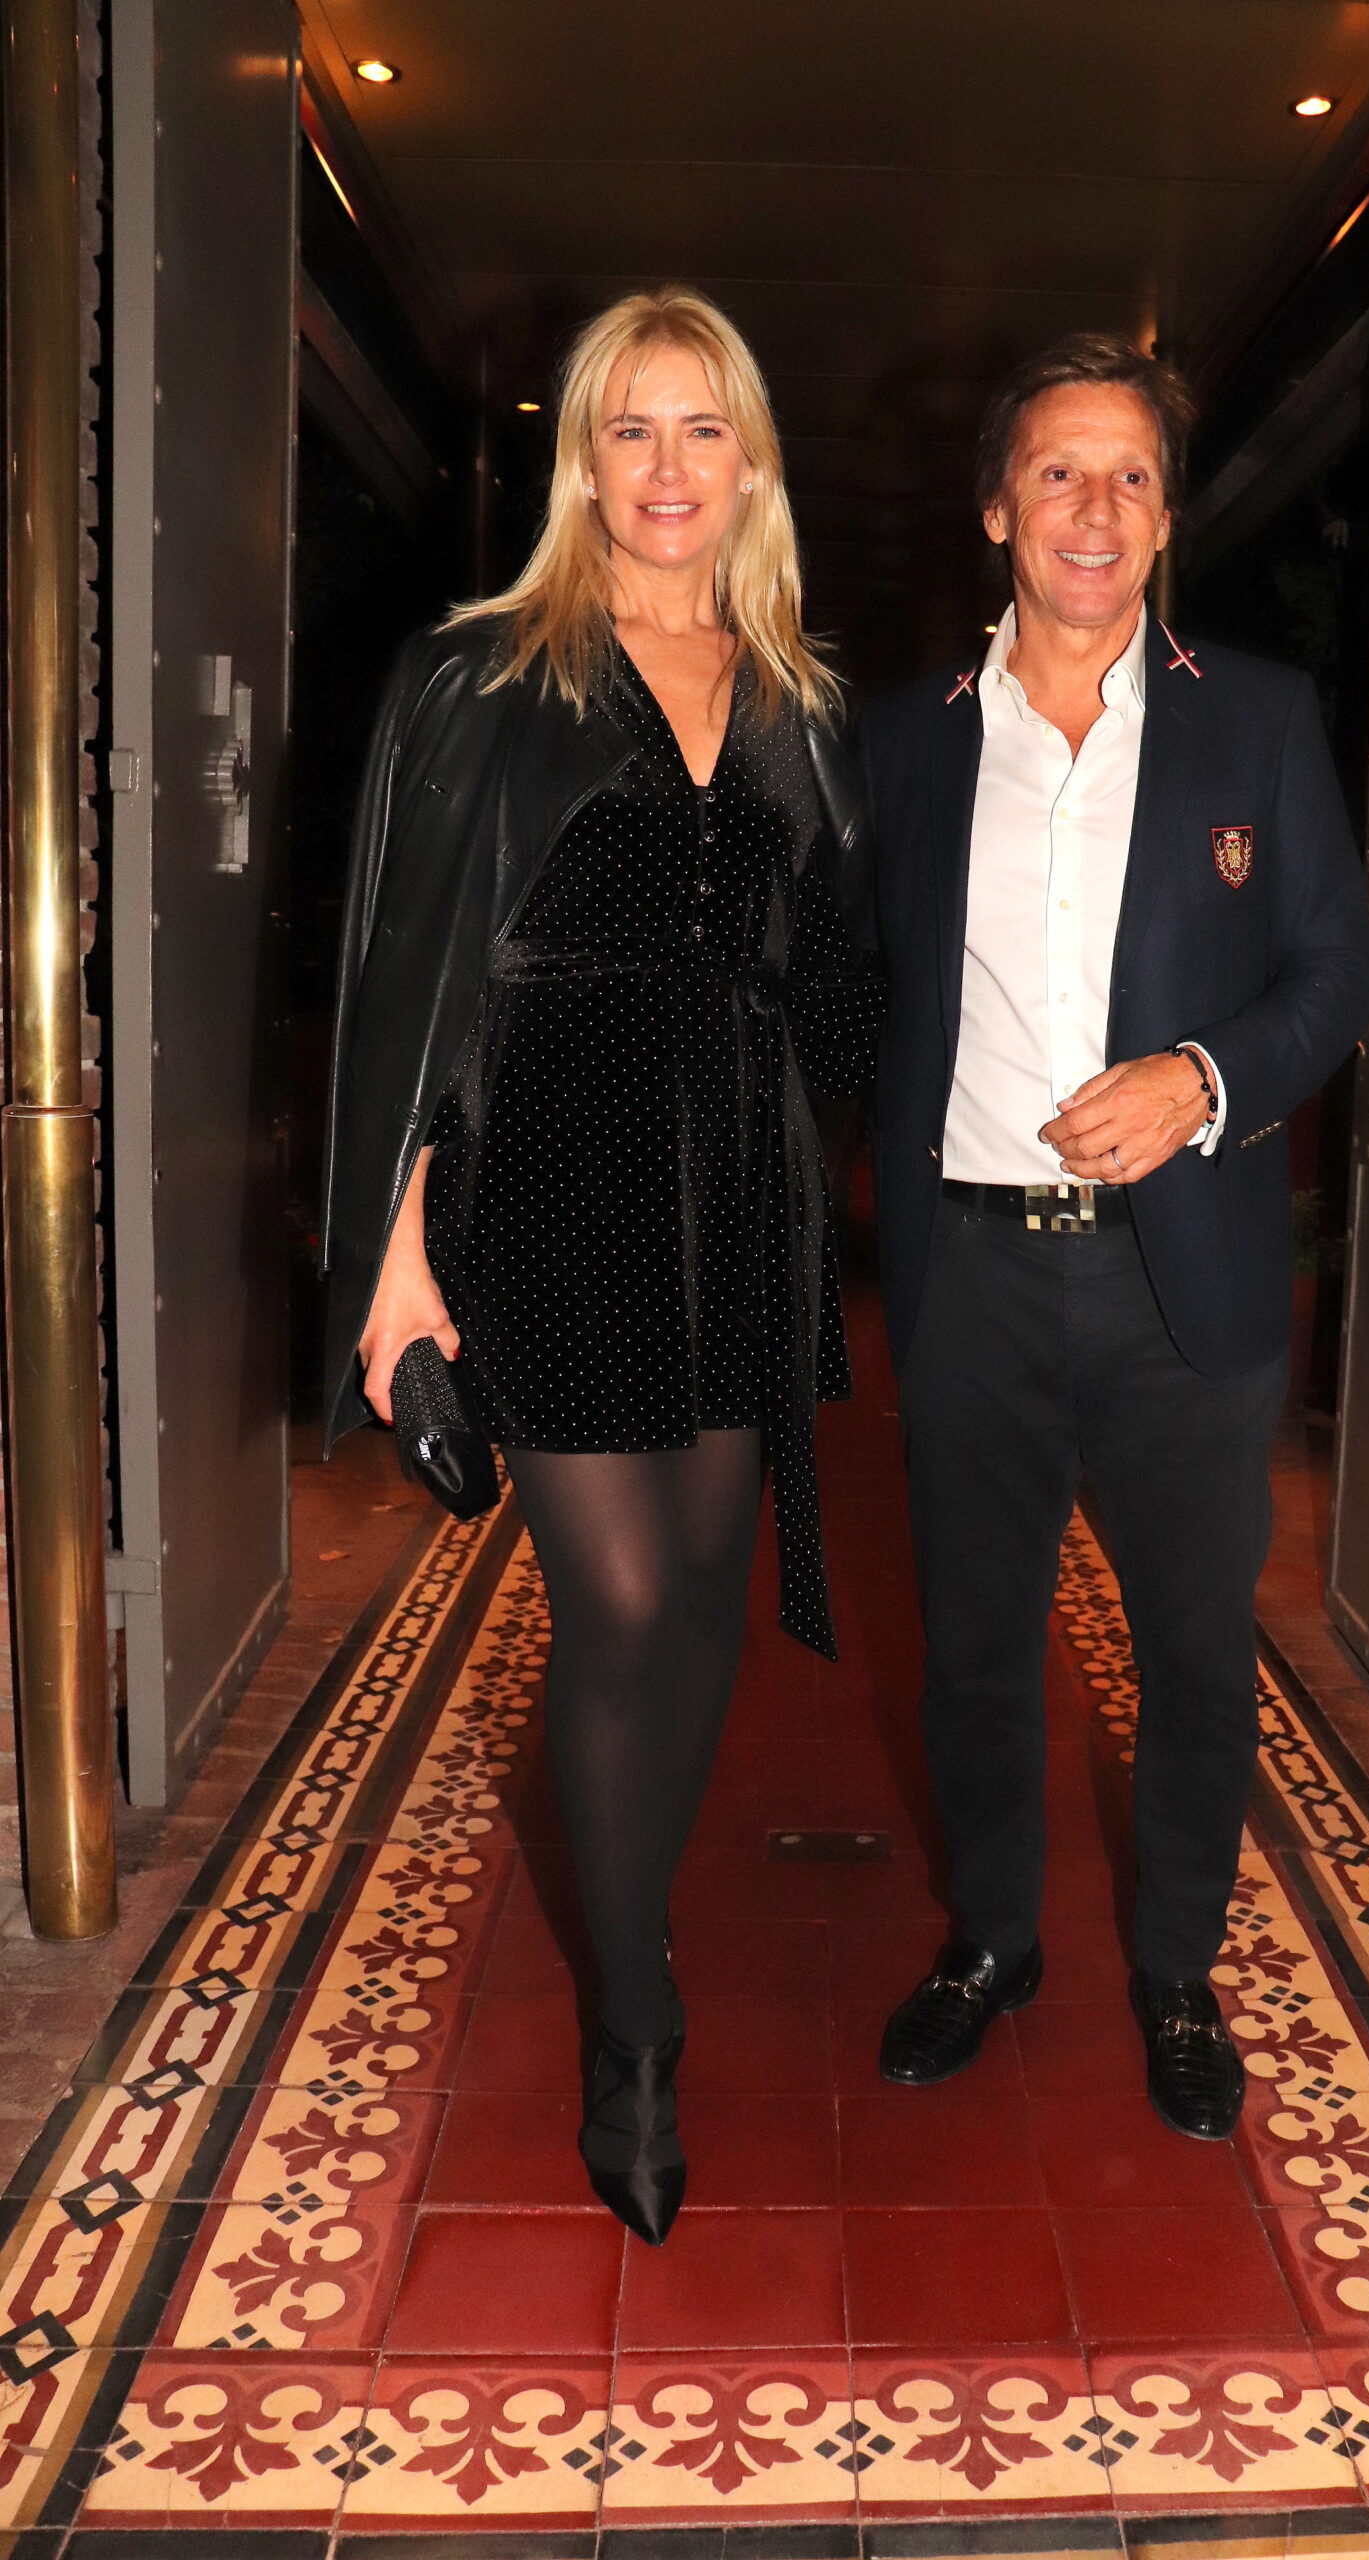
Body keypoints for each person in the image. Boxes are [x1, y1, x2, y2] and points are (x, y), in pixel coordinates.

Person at [321, 287, 882, 2243]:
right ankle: (634, 2018)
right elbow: (406, 992)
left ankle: (635, 1912)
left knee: (707, 1592)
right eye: (628, 428)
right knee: (622, 1599)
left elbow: (839, 970)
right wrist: (397, 1272)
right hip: (546, 1177)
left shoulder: (800, 695)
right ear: (581, 460)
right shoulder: (481, 676)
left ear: (751, 463)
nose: (664, 467)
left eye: (701, 427)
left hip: (737, 1192)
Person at [861, 333, 1369, 2139]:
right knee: (974, 1653)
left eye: (1133, 477)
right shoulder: (907, 742)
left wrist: (1202, 1079)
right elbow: (847, 989)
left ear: (1165, 521)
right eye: (1060, 473)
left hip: (1191, 1282)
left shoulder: (1258, 717)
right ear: (998, 508)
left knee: (1196, 1656)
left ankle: (1175, 1970)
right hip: (974, 1275)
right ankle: (992, 1942)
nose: (1096, 509)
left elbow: (1342, 971)